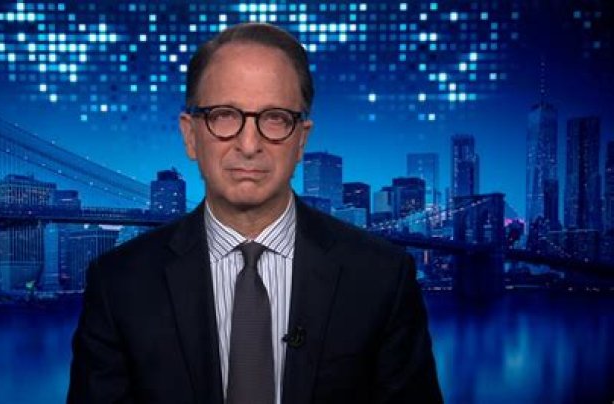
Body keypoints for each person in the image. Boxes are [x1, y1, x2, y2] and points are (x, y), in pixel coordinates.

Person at [68, 22, 442, 404]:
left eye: (275, 118)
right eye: (224, 115)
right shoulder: (118, 284)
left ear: (301, 140)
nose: (249, 145)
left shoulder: (382, 277)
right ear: (190, 135)